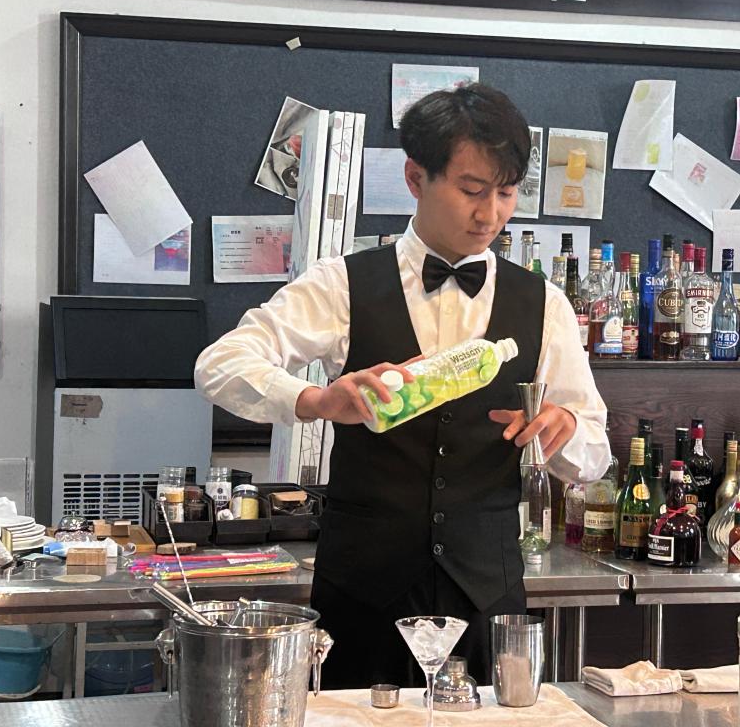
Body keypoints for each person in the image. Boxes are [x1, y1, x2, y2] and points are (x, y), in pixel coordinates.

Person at [195, 84, 611, 689]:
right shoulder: (343, 284)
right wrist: (315, 400)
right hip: (362, 596)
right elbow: (220, 363)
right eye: (472, 190)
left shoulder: (543, 303)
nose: (490, 214)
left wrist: (564, 430)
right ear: (416, 177)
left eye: (506, 192)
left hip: (486, 598)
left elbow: (594, 453)